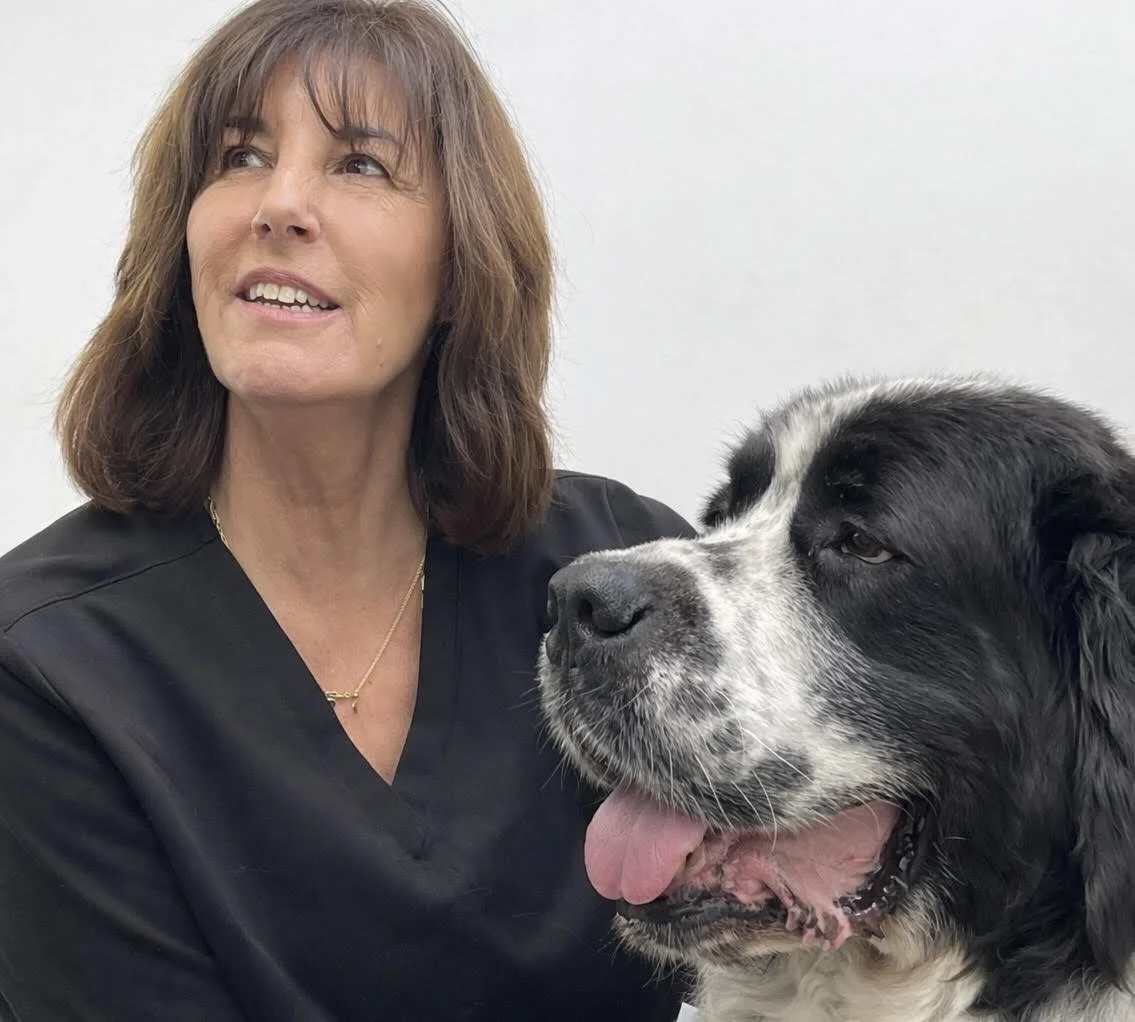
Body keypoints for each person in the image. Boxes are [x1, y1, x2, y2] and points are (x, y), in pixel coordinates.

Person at [0, 1, 696, 1019]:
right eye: (239, 155)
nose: (277, 204)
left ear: (461, 261)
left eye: (360, 165)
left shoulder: (615, 576)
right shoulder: (47, 664)